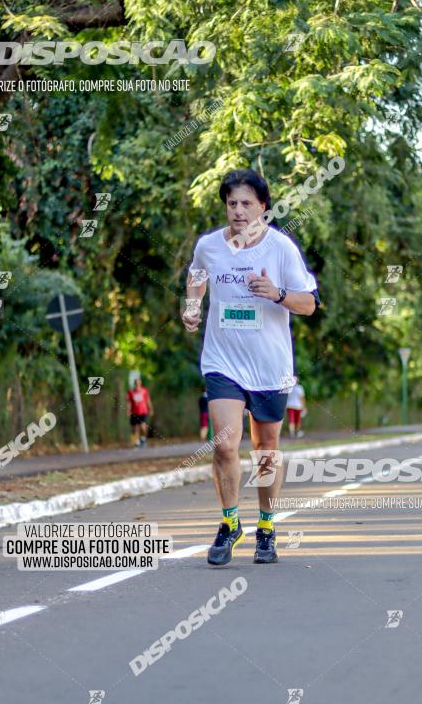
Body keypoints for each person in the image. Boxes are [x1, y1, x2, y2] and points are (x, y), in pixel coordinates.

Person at [182, 168, 319, 566]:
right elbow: (197, 276)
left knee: (265, 449)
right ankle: (229, 523)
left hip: (269, 366)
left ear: (263, 206)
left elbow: (309, 304)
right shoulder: (209, 246)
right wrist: (192, 306)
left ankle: (266, 527)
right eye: (231, 204)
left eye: (246, 203)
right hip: (222, 360)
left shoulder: (280, 249)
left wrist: (276, 294)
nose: (238, 211)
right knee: (224, 443)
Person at [126, 377, 153, 446]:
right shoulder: (131, 392)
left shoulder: (144, 391)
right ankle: (136, 441)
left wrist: (150, 409)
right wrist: (128, 411)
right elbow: (129, 402)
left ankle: (143, 438)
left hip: (143, 411)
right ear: (134, 384)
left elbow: (148, 400)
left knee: (143, 427)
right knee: (135, 429)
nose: (137, 384)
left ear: (140, 383)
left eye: (138, 382)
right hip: (134, 412)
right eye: (136, 383)